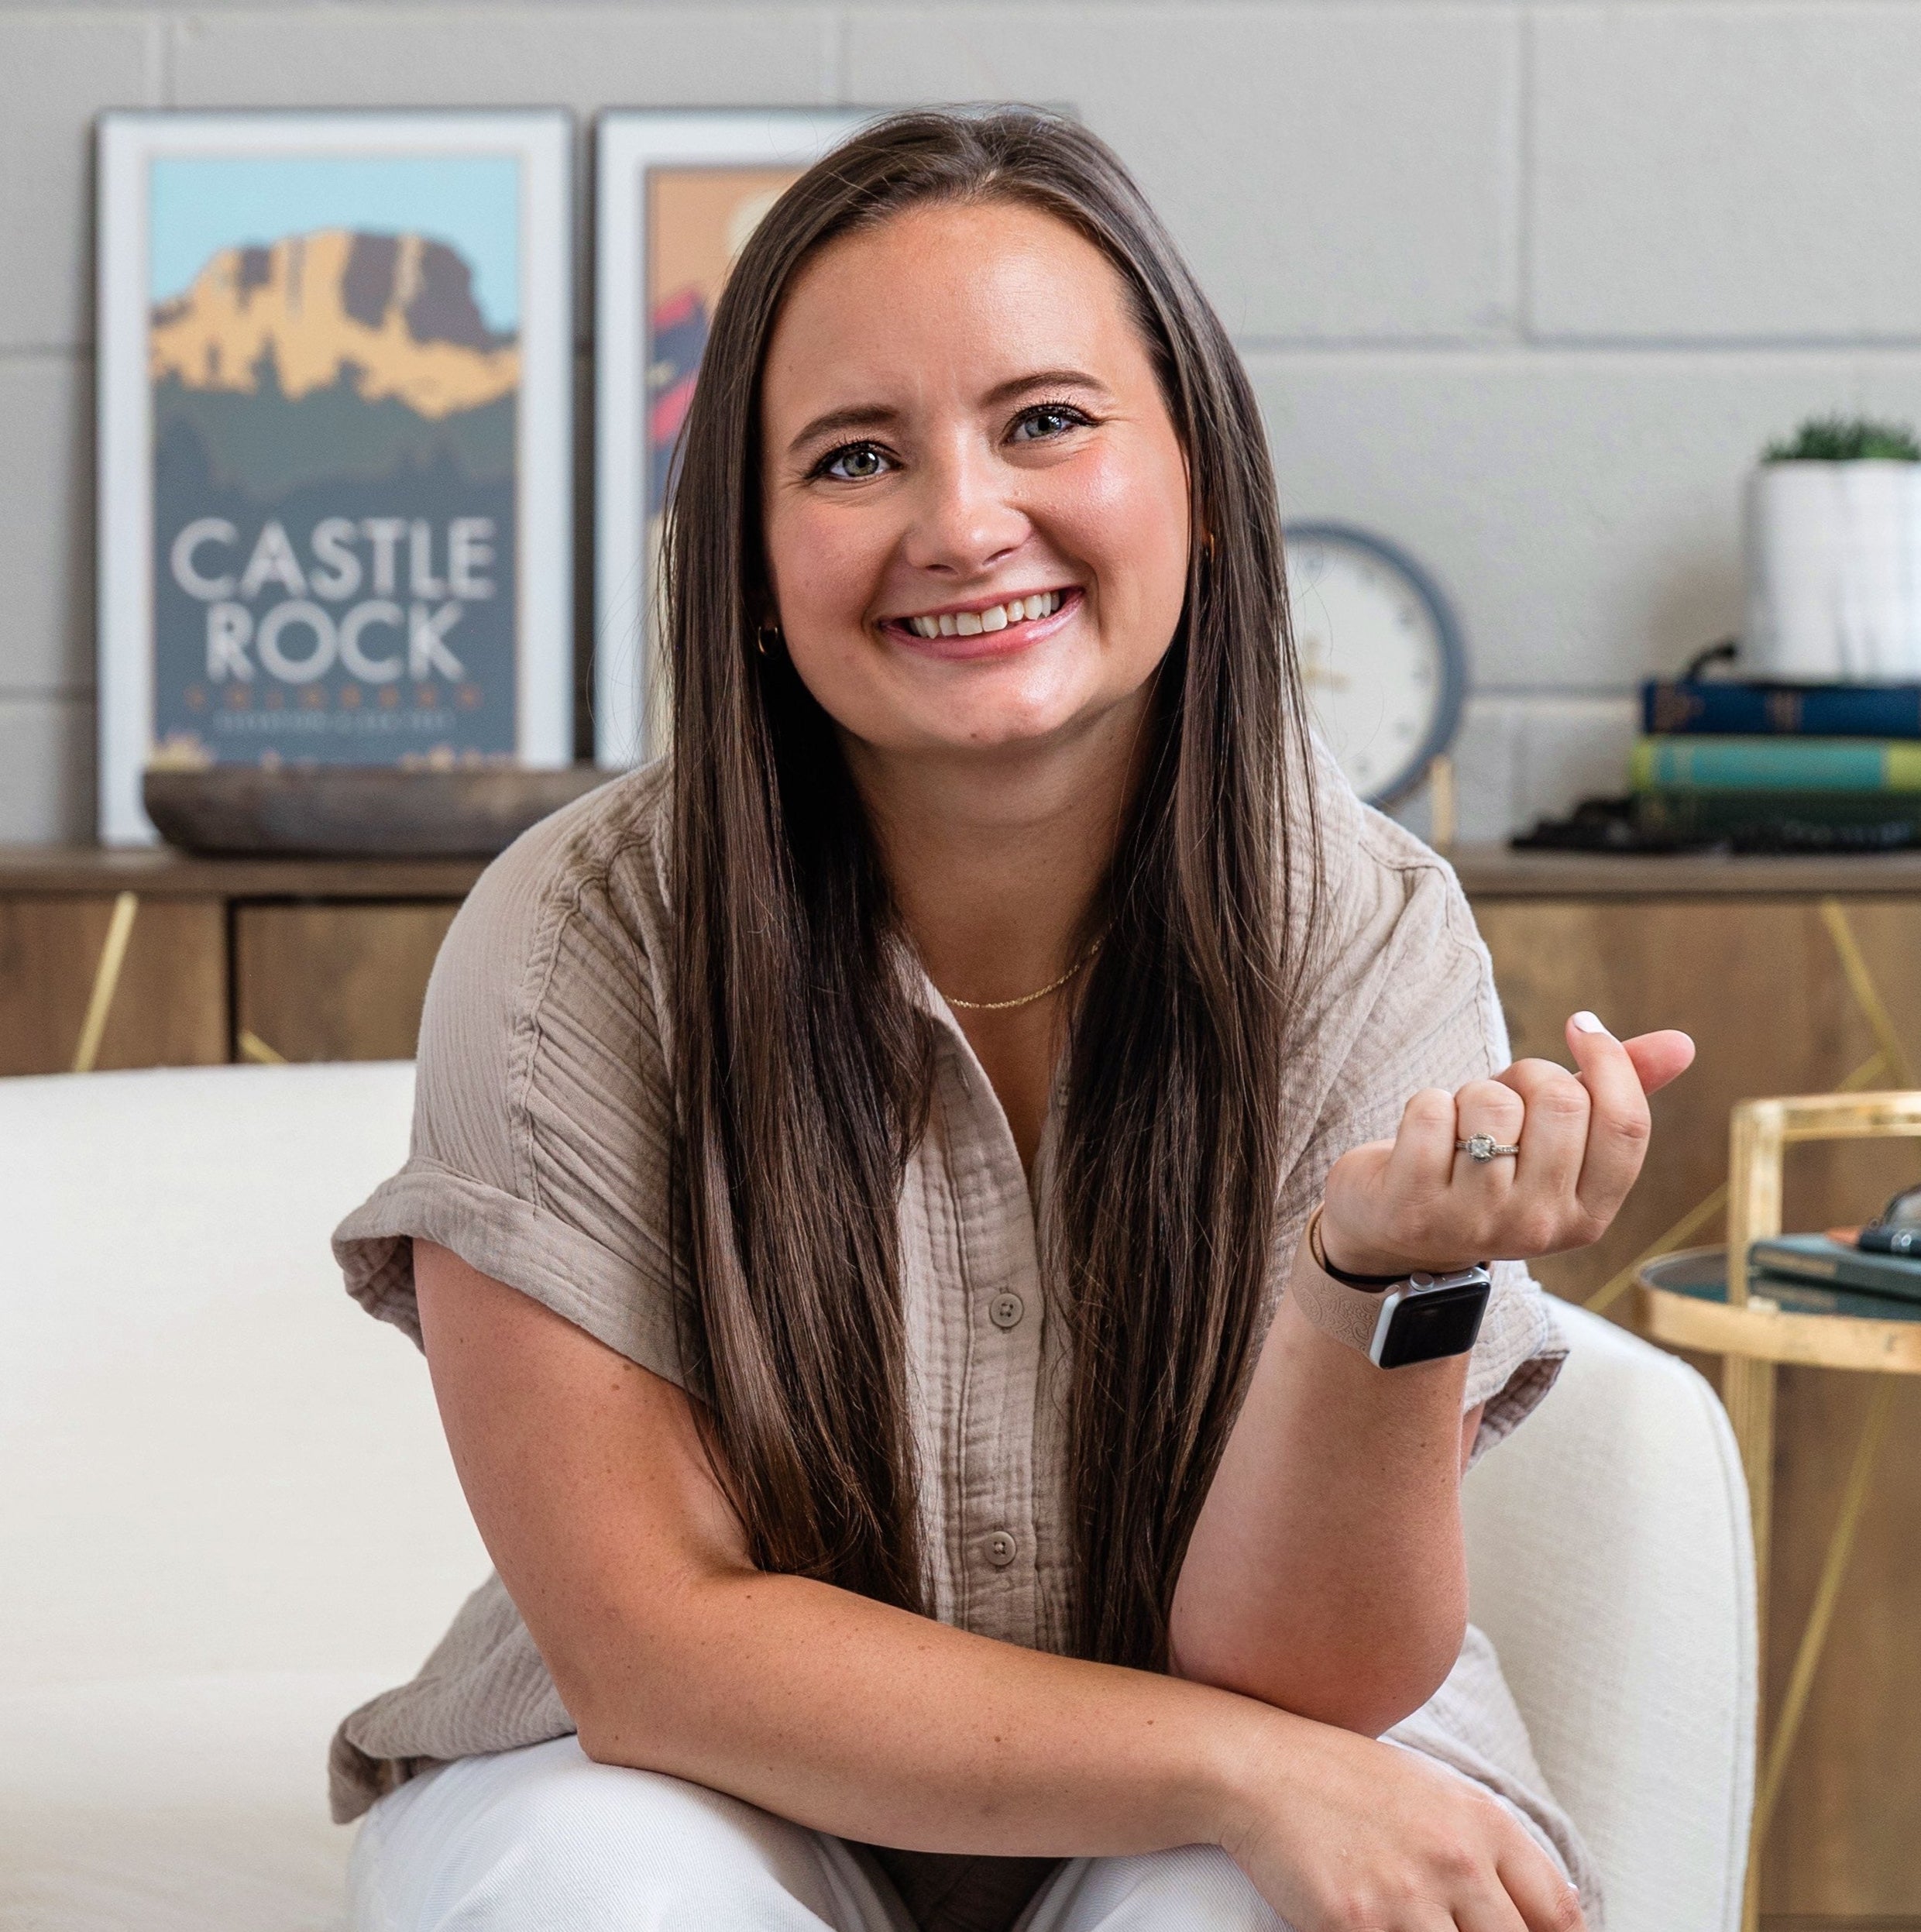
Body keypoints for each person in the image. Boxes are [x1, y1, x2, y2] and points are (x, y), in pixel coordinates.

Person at [332, 108, 1693, 1932]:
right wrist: (1240, 1767)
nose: (964, 523)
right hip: (692, 1774)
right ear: (743, 552)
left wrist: (1374, 1286)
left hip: (1269, 1719)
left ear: (1196, 472)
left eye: (1045, 419)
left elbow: (1308, 1677)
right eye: (851, 457)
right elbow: (655, 1652)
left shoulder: (1363, 926)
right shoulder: (582, 934)